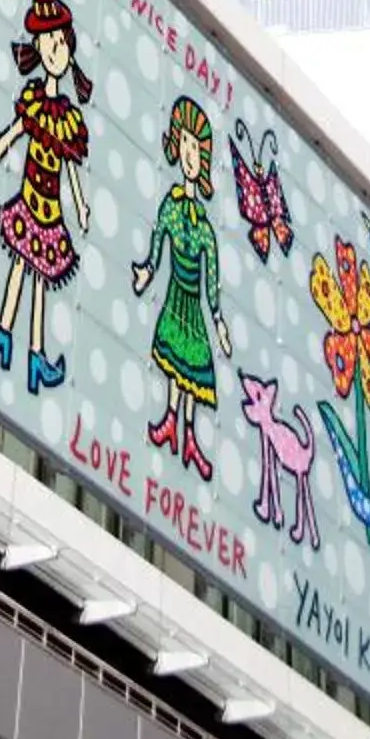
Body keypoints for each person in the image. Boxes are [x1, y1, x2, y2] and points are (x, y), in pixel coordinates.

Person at [0, 0, 92, 396]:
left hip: (51, 210)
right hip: (28, 198)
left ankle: (36, 353)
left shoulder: (69, 118)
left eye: (61, 44)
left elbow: (72, 165)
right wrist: (2, 143)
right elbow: (21, 125)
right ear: (37, 49)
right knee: (21, 265)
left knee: (39, 275)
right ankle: (2, 330)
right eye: (49, 44)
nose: (56, 50)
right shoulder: (35, 98)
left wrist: (81, 204)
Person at [132, 95, 232, 481]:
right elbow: (157, 244)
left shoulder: (206, 225)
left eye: (197, 148)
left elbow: (212, 282)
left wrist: (220, 324)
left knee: (191, 366)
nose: (190, 154)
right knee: (175, 364)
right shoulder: (171, 207)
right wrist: (145, 272)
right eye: (186, 145)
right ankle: (170, 422)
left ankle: (188, 434)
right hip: (174, 295)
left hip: (193, 303)